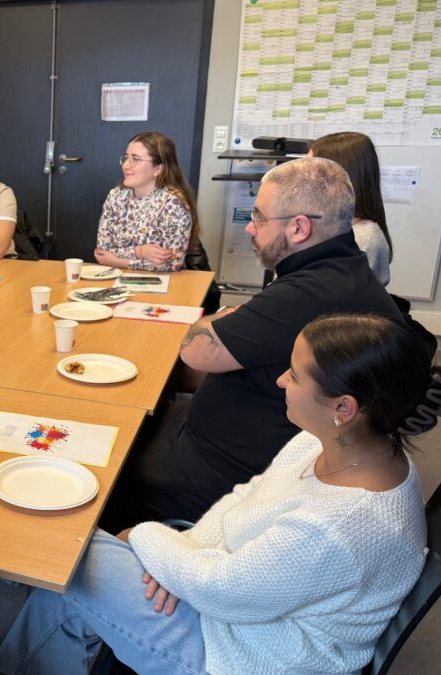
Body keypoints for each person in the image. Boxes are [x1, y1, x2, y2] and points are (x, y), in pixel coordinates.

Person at [0, 313, 441, 675]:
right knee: (73, 567)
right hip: (234, 597)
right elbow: (246, 495)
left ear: (343, 407)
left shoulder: (339, 527)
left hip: (241, 654)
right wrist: (182, 556)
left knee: (70, 561)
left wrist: (144, 538)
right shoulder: (344, 442)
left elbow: (221, 591)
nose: (280, 382)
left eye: (294, 376)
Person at [100, 157, 403, 532]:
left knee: (106, 456)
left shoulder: (308, 292)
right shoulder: (341, 270)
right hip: (229, 439)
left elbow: (197, 349)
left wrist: (219, 318)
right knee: (139, 410)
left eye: (258, 218)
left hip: (226, 472)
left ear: (299, 227)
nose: (249, 229)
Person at [93, 131, 198, 272]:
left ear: (158, 169)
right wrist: (141, 252)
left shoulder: (173, 204)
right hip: (116, 279)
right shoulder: (115, 196)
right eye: (126, 157)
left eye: (135, 159)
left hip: (162, 284)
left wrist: (117, 261)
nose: (125, 165)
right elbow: (103, 252)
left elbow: (170, 264)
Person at [309, 131, 393, 285]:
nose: (302, 178)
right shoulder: (327, 224)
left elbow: (329, 296)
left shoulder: (364, 238)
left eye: (309, 170)